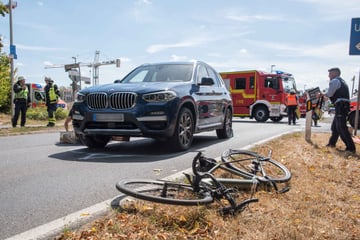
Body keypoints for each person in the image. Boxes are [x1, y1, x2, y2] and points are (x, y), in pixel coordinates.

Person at [323, 67, 355, 153]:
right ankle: (331, 143)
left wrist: (322, 94)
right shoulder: (342, 81)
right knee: (335, 127)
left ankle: (351, 148)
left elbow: (329, 93)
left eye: (330, 73)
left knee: (341, 127)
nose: (329, 76)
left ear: (334, 73)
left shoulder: (334, 81)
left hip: (341, 106)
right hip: (342, 106)